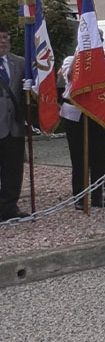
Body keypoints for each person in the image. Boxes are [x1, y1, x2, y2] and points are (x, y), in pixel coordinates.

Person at [60, 50, 105, 209]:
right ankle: (80, 197)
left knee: (99, 158)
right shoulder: (70, 60)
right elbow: (70, 76)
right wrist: (79, 55)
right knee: (79, 158)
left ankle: (97, 196)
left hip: (99, 112)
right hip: (75, 116)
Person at [0, 25, 27, 221]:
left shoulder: (19, 62)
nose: (3, 41)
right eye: (0, 38)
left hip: (14, 125)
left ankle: (9, 207)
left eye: (5, 38)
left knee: (13, 168)